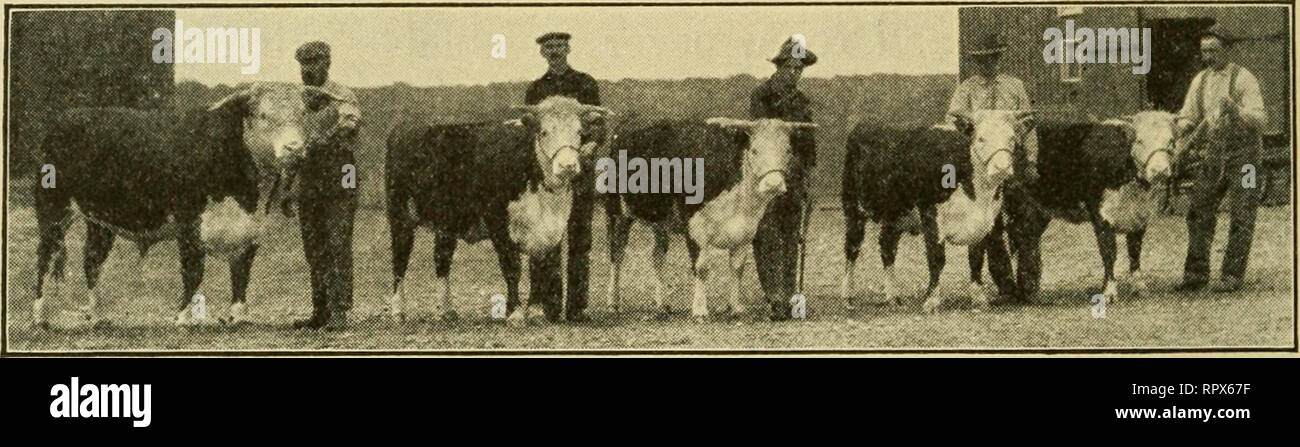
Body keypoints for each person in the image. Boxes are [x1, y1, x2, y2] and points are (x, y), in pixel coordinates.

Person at [1174, 25, 1268, 293]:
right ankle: (1195, 274)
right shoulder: (1200, 80)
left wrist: (1237, 111)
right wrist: (1182, 129)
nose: (1208, 57)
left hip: (1247, 158)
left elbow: (1261, 119)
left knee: (1243, 213)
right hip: (1213, 155)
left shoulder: (1244, 79)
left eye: (1213, 51)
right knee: (1198, 210)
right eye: (1204, 51)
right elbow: (1188, 115)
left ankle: (1232, 276)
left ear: (1227, 50)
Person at [947, 31, 1040, 302]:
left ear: (999, 59)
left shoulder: (1015, 87)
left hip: (1015, 166)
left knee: (1025, 222)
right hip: (983, 171)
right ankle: (1004, 285)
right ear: (976, 62)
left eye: (992, 59)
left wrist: (1032, 161)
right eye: (982, 61)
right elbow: (953, 126)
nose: (987, 65)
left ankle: (1030, 284)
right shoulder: (966, 89)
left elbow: (1028, 128)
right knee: (990, 227)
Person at [524, 31, 602, 322]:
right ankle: (551, 307)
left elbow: (596, 123)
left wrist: (593, 143)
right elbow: (530, 132)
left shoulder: (585, 83)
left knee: (580, 240)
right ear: (542, 53)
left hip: (580, 172)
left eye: (559, 46)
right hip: (547, 182)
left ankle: (578, 308)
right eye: (549, 47)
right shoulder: (534, 91)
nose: (555, 51)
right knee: (548, 240)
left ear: (568, 48)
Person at [290, 41, 362, 331]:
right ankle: (319, 309)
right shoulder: (297, 102)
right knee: (313, 245)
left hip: (343, 171)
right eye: (303, 65)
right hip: (310, 176)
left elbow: (351, 123)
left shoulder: (342, 95)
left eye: (314, 63)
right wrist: (288, 186)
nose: (308, 70)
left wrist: (328, 135)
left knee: (338, 240)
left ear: (327, 64)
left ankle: (340, 311)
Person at [750, 37, 817, 321]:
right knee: (766, 232)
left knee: (792, 235)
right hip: (768, 174)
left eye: (799, 68)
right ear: (779, 66)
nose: (795, 73)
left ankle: (790, 295)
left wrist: (809, 177)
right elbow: (762, 133)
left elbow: (809, 143)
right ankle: (773, 296)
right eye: (790, 67)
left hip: (794, 175)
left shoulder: (803, 101)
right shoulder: (762, 95)